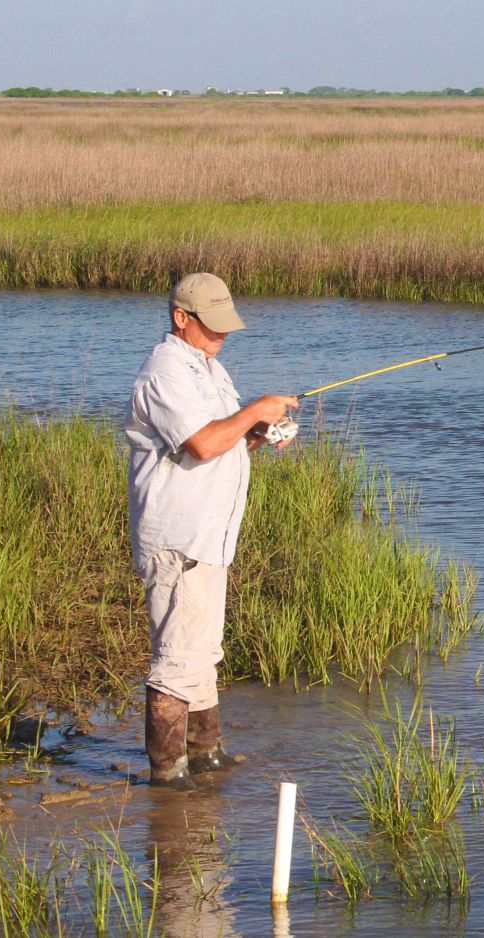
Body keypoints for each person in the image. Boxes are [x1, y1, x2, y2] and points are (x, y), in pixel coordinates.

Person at [124, 272, 296, 788]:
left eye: (226, 325)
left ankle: (205, 751)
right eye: (212, 325)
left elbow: (224, 441)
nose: (223, 335)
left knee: (203, 652)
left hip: (210, 537)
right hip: (180, 538)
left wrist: (260, 433)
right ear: (182, 318)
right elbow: (200, 443)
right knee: (178, 658)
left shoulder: (209, 368)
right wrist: (254, 411)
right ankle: (167, 775)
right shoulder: (165, 372)